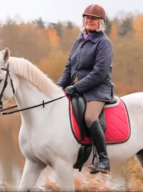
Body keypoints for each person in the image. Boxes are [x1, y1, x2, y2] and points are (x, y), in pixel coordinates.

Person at [56, 4, 114, 174]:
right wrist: (58, 87)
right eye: (87, 17)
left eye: (93, 18)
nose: (89, 20)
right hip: (77, 88)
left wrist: (77, 87)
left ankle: (103, 159)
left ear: (100, 22)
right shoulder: (79, 39)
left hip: (97, 89)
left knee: (89, 117)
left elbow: (99, 73)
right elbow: (68, 67)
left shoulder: (104, 43)